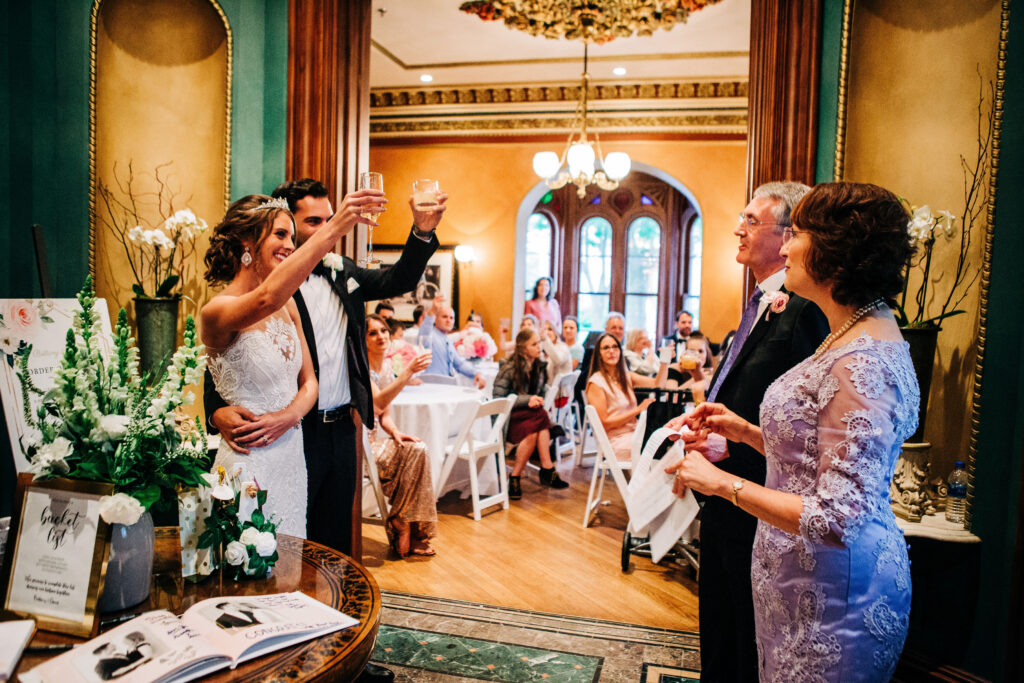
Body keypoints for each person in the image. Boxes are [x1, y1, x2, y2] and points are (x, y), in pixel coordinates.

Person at [669, 182, 918, 681]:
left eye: (797, 233)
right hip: (799, 580)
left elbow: (836, 518)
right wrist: (743, 431)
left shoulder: (863, 360)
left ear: (838, 253)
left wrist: (721, 483)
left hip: (833, 597)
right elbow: (820, 450)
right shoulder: (847, 331)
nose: (784, 246)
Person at [204, 178, 445, 559]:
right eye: (312, 222)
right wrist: (215, 410)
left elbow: (398, 279)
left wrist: (422, 232)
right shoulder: (274, 290)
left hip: (339, 426)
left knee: (327, 543)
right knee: (266, 545)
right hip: (293, 432)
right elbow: (231, 363)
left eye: (328, 220)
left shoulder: (341, 272)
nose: (322, 229)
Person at [663, 181, 829, 681]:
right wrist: (713, 431)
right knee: (718, 625)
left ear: (786, 236)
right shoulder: (760, 302)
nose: (738, 228)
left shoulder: (804, 310)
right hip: (727, 494)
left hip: (760, 501)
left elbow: (809, 424)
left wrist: (733, 450)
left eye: (751, 221)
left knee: (746, 638)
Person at [202, 194, 358, 538]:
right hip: (248, 458)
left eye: (291, 236)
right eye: (280, 235)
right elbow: (264, 298)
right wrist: (334, 229)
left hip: (291, 456)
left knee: (289, 562)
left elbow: (310, 383)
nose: (290, 244)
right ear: (247, 241)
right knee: (244, 566)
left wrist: (289, 417)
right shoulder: (216, 311)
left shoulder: (287, 305)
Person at [364, 314, 438, 558]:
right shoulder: (361, 367)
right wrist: (407, 374)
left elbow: (385, 416)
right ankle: (403, 523)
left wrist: (396, 432)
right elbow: (376, 404)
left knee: (418, 449)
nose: (381, 336)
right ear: (363, 340)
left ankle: (402, 520)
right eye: (372, 332)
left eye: (384, 331)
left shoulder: (385, 366)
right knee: (415, 455)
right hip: (361, 445)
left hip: (379, 440)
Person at [492, 328, 570, 499]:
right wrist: (527, 400)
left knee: (536, 426)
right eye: (534, 344)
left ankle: (515, 477)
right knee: (541, 417)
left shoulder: (538, 368)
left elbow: (539, 393)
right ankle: (547, 469)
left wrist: (537, 400)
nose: (539, 347)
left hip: (529, 418)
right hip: (509, 418)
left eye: (539, 343)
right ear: (522, 348)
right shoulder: (509, 368)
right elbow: (498, 398)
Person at [585, 332, 668, 461]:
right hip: (615, 441)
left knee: (667, 444)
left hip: (634, 434)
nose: (611, 351)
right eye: (606, 348)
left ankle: (651, 480)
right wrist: (637, 410)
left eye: (615, 347)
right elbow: (605, 424)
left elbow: (659, 384)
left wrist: (665, 361)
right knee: (658, 450)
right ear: (599, 355)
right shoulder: (596, 383)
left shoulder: (626, 376)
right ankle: (645, 481)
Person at [419, 294, 486, 387]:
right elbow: (424, 333)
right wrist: (432, 311)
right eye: (444, 317)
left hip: (446, 386)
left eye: (451, 318)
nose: (448, 320)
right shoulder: (430, 336)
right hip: (430, 385)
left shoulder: (447, 340)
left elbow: (459, 364)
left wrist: (476, 373)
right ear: (436, 319)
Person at [676, 330, 714, 397]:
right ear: (685, 353)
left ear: (707, 354)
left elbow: (711, 397)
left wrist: (700, 374)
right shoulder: (676, 370)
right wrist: (696, 376)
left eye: (700, 351)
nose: (697, 355)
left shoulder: (710, 374)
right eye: (692, 351)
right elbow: (671, 397)